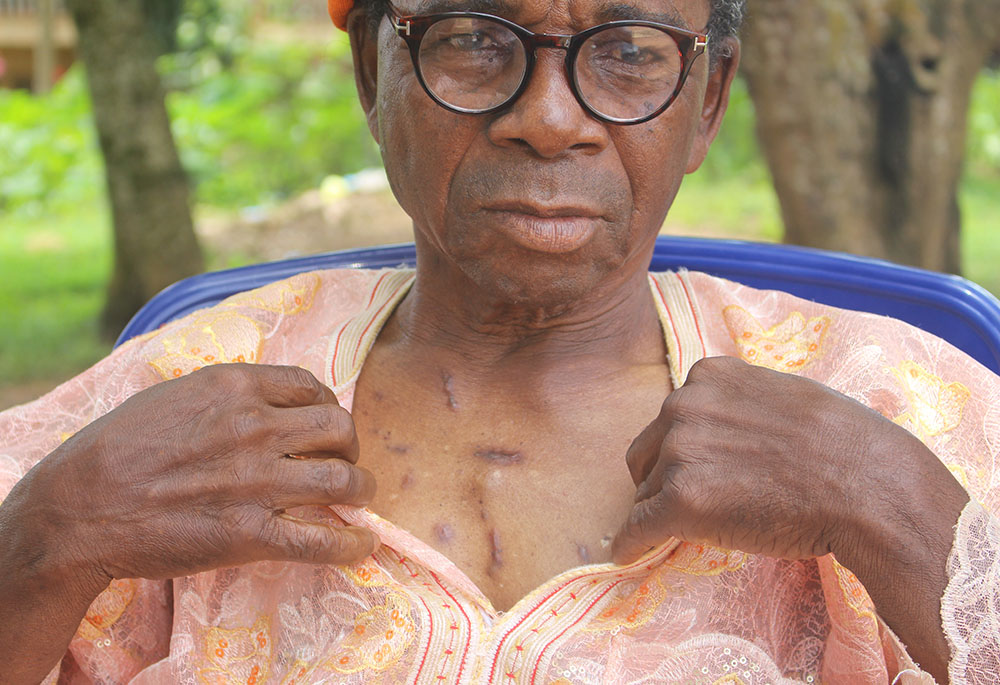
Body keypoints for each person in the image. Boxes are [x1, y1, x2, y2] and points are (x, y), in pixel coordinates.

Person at [1, 0, 998, 681]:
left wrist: (890, 509)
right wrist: (40, 543)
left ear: (707, 101)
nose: (550, 118)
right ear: (371, 69)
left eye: (629, 50)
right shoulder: (174, 397)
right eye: (474, 39)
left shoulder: (892, 400)